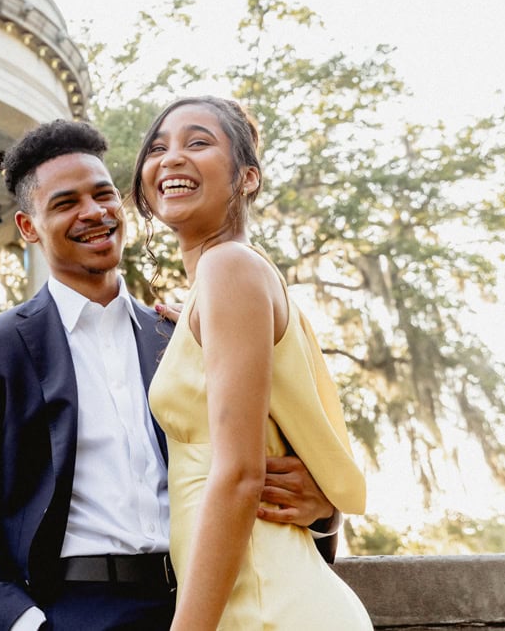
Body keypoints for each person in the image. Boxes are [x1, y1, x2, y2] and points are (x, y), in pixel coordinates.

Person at [0, 119, 345, 631]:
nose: (94, 213)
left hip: (209, 602)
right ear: (28, 227)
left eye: (104, 195)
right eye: (65, 203)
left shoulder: (179, 335)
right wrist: (26, 624)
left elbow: (262, 451)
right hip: (77, 611)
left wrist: (323, 510)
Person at [134, 96, 370, 630]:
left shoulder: (229, 268)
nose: (171, 158)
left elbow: (240, 475)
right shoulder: (217, 286)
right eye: (158, 148)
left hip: (270, 606)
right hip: (249, 604)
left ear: (247, 178)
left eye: (198, 142)